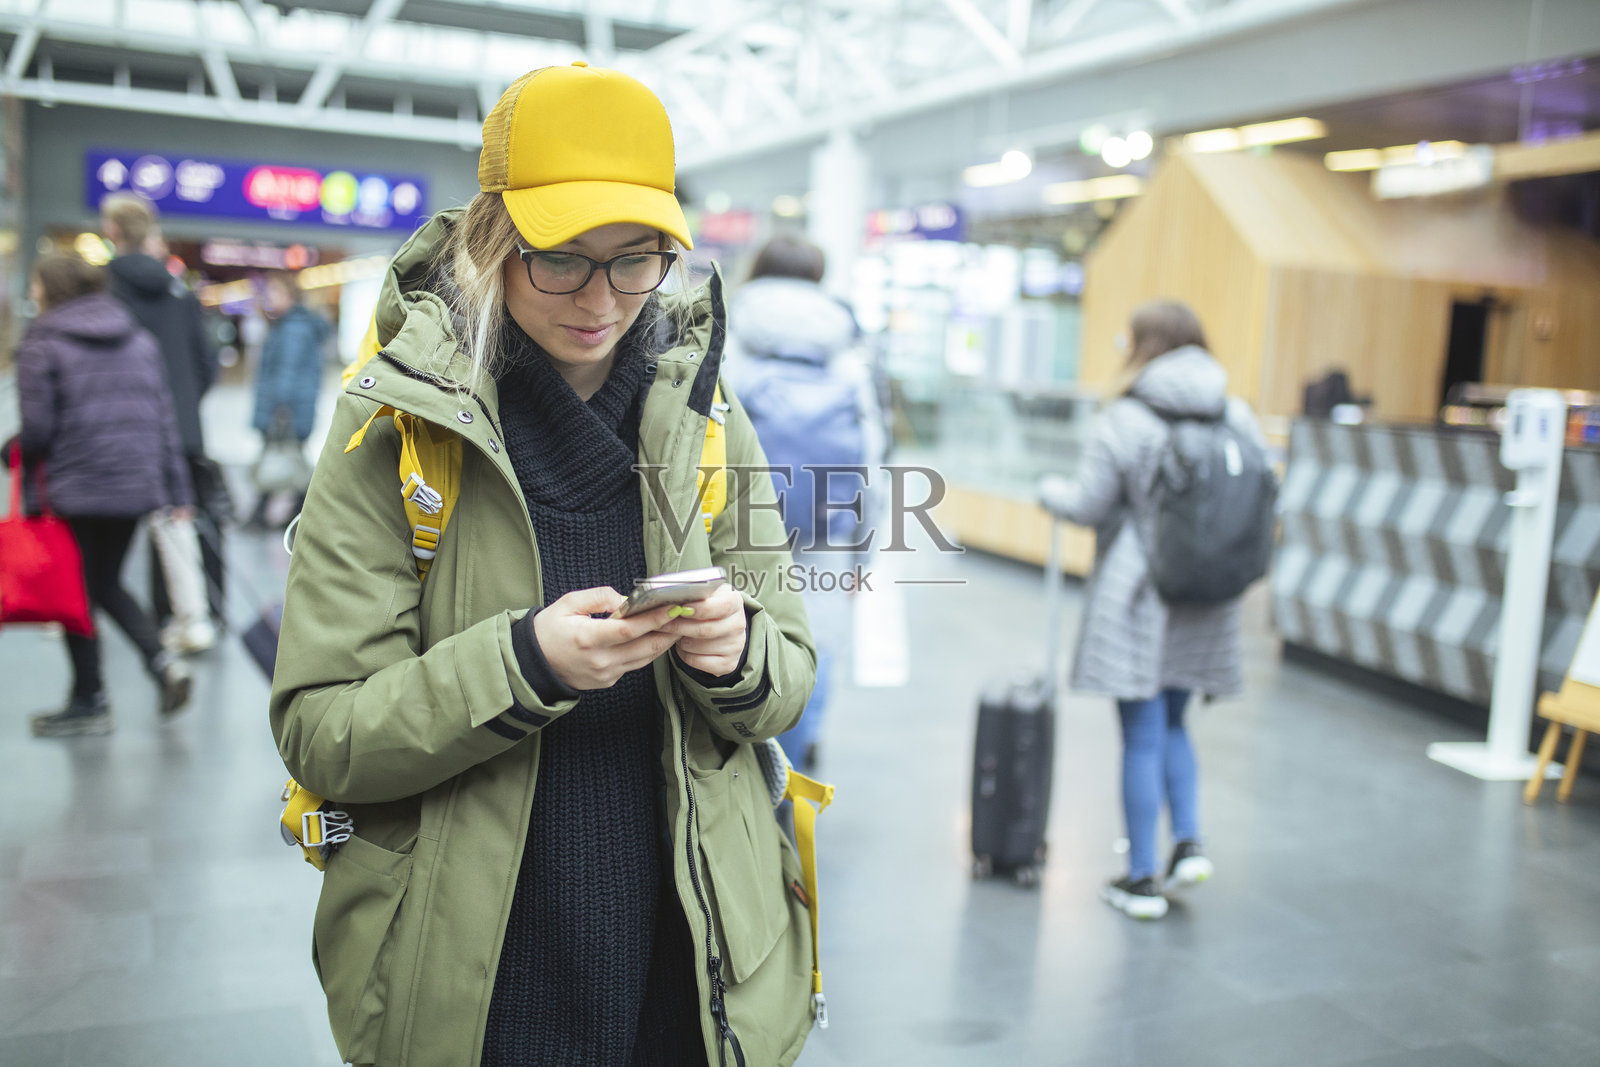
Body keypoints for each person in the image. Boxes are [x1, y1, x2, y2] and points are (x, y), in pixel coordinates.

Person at [270, 62, 818, 1067]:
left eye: (636, 258)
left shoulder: (704, 418)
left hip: (690, 959)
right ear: (492, 240)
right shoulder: (397, 427)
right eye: (560, 257)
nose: (600, 299)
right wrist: (524, 664)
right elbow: (323, 732)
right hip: (478, 968)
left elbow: (787, 679)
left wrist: (736, 655)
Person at [1040, 300, 1264, 920]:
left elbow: (1087, 504)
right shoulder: (1235, 410)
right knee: (1174, 720)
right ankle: (1188, 841)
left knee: (1139, 732)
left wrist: (1047, 493)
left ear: (1144, 346)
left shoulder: (1127, 417)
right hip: (1208, 592)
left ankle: (1140, 879)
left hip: (1141, 593)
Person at [15, 252, 194, 736]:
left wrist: (12, 451)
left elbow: (37, 430)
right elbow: (163, 421)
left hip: (74, 488)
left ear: (52, 289)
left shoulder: (43, 341)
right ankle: (159, 663)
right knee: (104, 583)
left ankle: (90, 700)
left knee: (77, 591)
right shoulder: (138, 340)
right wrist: (176, 489)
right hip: (133, 485)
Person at [726, 234, 881, 772]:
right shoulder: (847, 348)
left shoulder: (728, 332)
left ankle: (742, 769)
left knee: (735, 635)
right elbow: (870, 465)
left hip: (737, 520)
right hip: (827, 527)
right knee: (818, 644)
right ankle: (792, 774)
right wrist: (864, 558)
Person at [101, 192, 223, 652]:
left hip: (119, 432)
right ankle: (188, 619)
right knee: (177, 525)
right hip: (182, 432)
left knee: (103, 540)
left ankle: (92, 624)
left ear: (113, 232)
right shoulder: (180, 290)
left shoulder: (102, 289)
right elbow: (205, 362)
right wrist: (184, 405)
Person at [246, 271, 328, 527]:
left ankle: (267, 514)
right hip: (292, 407)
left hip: (286, 408)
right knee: (290, 459)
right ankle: (296, 513)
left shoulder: (292, 329)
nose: (270, 298)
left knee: (283, 458)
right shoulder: (287, 325)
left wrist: (280, 407)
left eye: (275, 293)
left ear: (291, 296)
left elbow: (287, 372)